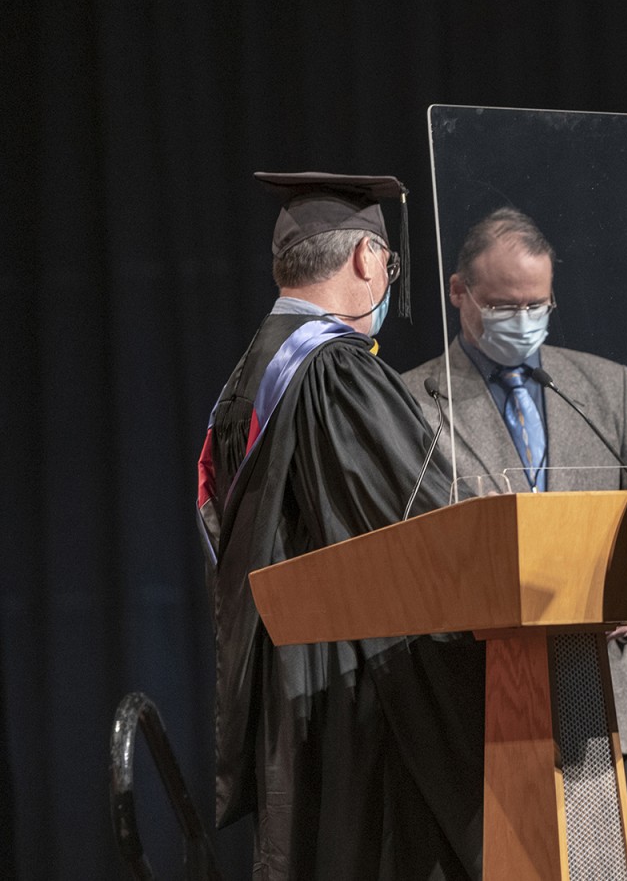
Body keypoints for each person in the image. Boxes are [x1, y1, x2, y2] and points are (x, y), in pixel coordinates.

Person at [196, 172, 482, 879]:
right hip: (363, 702)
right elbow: (429, 534)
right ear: (365, 259)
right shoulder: (335, 372)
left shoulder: (247, 376)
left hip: (297, 693)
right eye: (388, 261)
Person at [401, 206, 627, 877]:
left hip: (612, 696)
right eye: (502, 305)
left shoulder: (605, 387)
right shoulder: (411, 403)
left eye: (537, 304)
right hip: (488, 706)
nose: (522, 320)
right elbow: (409, 559)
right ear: (459, 291)